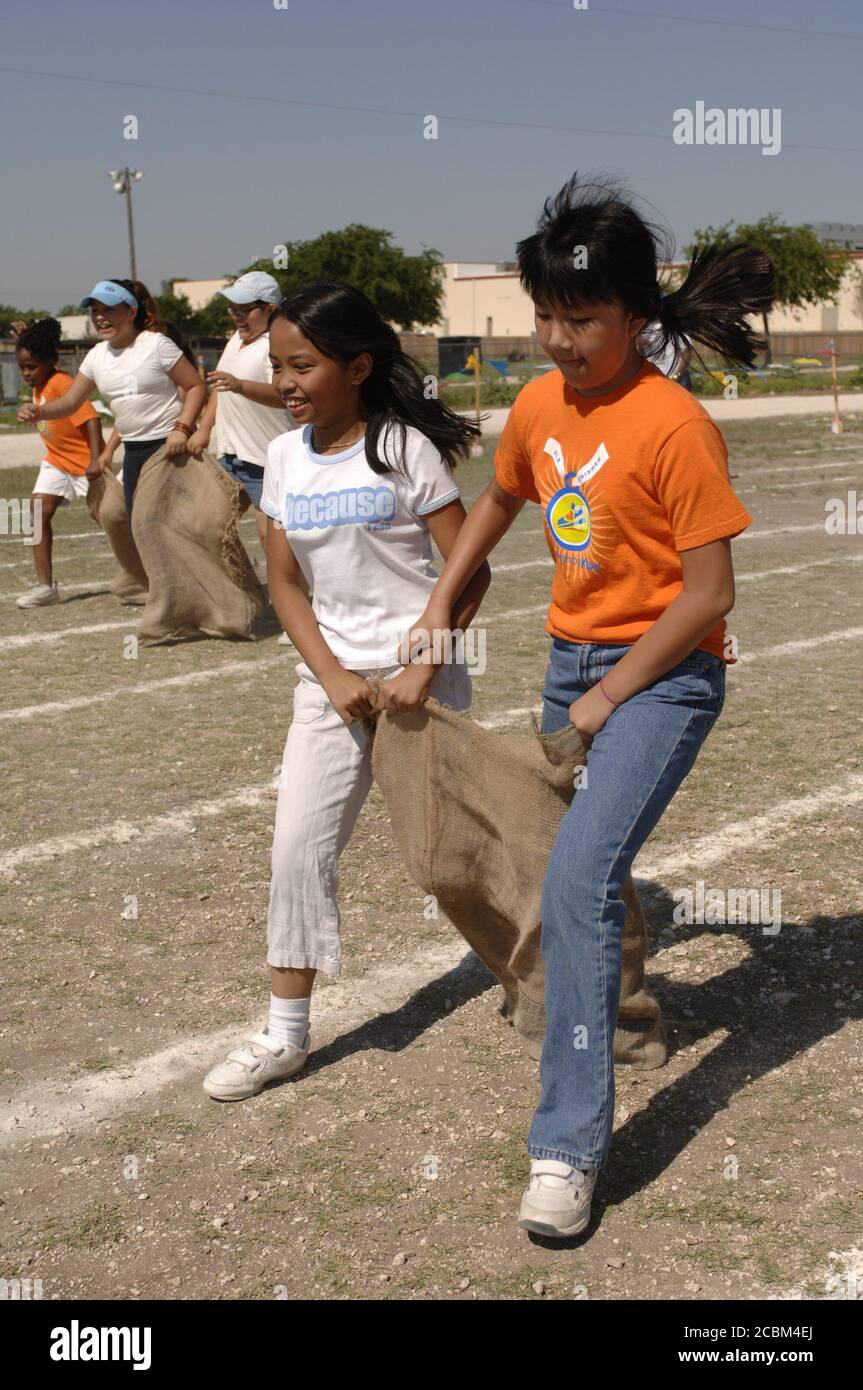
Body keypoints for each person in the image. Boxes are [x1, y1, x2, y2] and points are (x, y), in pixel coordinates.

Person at [405, 173, 775, 1239]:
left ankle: (566, 1146)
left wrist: (611, 694)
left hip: (660, 676)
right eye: (548, 318)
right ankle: (613, 998)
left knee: (575, 877)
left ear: (634, 317)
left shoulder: (670, 425)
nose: (560, 341)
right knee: (569, 874)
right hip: (571, 665)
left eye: (584, 320)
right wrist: (440, 611)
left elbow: (709, 593)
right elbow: (501, 501)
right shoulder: (535, 404)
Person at [202, 279, 490, 1102]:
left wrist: (421, 667)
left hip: (418, 688)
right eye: (278, 367)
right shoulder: (283, 457)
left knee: (451, 858)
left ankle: (536, 977)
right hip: (327, 688)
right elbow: (285, 586)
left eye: (303, 366)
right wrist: (331, 675)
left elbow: (470, 570)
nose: (286, 383)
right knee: (297, 850)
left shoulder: (403, 448)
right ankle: (283, 1035)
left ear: (358, 366)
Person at [18, 279, 205, 517]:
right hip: (133, 452)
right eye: (95, 310)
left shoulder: (156, 345)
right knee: (137, 527)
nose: (100, 317)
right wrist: (39, 411)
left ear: (131, 312)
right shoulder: (97, 356)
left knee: (173, 527)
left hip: (169, 447)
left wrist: (182, 428)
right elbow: (70, 402)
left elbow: (195, 386)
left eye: (109, 309)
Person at [187, 271, 294, 556]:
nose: (236, 316)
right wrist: (205, 429)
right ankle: (240, 588)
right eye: (233, 309)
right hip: (230, 457)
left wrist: (241, 386)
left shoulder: (277, 343)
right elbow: (220, 389)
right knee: (210, 525)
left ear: (269, 309)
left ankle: (298, 596)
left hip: (265, 459)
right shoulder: (236, 338)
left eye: (244, 309)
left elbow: (285, 396)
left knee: (270, 537)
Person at [14, 317, 104, 608]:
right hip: (56, 462)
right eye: (22, 368)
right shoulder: (41, 380)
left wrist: (95, 461)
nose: (26, 374)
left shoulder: (61, 383)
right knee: (37, 513)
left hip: (84, 466)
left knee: (115, 521)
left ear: (50, 362)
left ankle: (150, 574)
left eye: (31, 367)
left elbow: (91, 418)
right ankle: (45, 588)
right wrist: (26, 336)